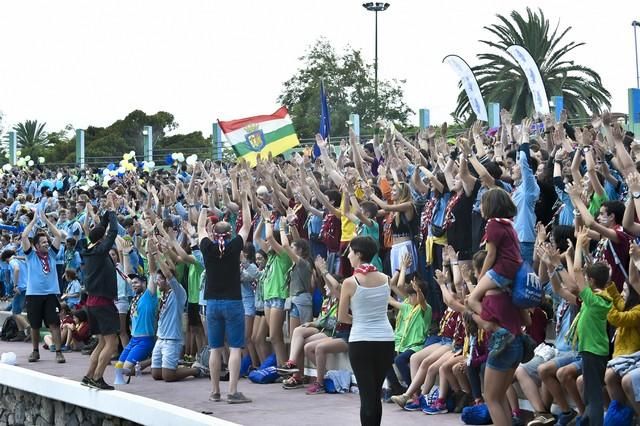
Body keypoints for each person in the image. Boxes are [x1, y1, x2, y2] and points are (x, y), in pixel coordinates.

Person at [199, 187, 252, 404]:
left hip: (212, 303)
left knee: (215, 348)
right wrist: (244, 200)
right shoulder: (235, 247)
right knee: (236, 347)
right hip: (233, 302)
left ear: (214, 233)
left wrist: (204, 204)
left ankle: (214, 391)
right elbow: (247, 225)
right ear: (230, 234)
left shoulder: (206, 247)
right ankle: (232, 391)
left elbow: (200, 227)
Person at [339, 236, 395, 426]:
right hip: (386, 339)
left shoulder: (350, 282)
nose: (348, 256)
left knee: (367, 396)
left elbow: (342, 317)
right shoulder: (386, 278)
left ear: (359, 254)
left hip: (361, 339)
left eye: (351, 252)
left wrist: (360, 320)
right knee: (375, 394)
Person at [81, 194, 120, 390]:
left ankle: (89, 376)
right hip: (103, 303)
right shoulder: (98, 251)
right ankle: (97, 378)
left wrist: (105, 212)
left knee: (101, 342)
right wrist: (112, 210)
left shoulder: (89, 248)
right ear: (101, 240)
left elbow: (103, 229)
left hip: (92, 302)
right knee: (112, 344)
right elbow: (113, 231)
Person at [21, 209, 65, 363]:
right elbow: (24, 236)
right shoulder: (30, 255)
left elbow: (58, 235)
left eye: (47, 241)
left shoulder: (52, 254)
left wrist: (46, 220)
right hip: (34, 294)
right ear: (37, 246)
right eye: (44, 242)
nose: (47, 244)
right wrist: (33, 221)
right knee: (34, 325)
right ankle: (35, 351)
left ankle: (58, 352)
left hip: (51, 294)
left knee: (54, 323)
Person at [115, 273, 157, 378]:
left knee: (126, 370)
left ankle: (154, 359)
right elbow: (128, 274)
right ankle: (149, 360)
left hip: (145, 340)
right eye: (132, 283)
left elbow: (152, 272)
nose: (133, 285)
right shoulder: (135, 297)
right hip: (133, 340)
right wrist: (125, 255)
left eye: (136, 282)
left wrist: (151, 256)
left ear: (144, 283)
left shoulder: (149, 295)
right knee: (118, 367)